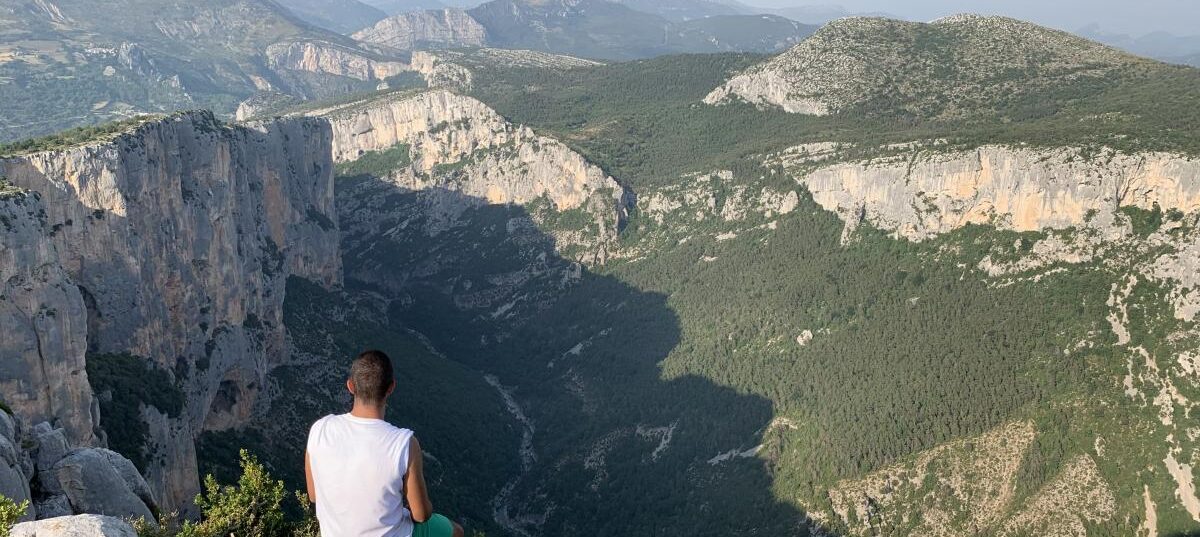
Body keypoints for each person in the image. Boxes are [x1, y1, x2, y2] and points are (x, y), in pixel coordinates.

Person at [305, 350, 464, 537]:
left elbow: (314, 495)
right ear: (391, 387)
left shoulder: (319, 429)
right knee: (456, 531)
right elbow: (421, 515)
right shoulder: (404, 443)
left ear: (350, 386)